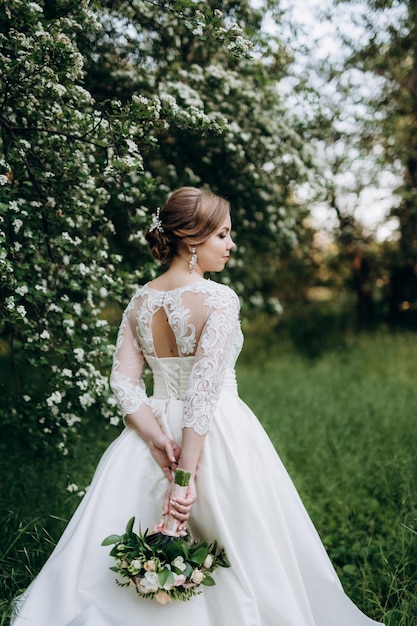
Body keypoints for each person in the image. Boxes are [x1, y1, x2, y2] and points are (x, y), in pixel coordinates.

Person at [11, 186, 385, 626]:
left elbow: (124, 382)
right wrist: (184, 478)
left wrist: (153, 440)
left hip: (153, 427)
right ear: (192, 238)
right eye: (223, 235)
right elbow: (204, 393)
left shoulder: (139, 301)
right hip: (214, 431)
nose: (231, 245)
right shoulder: (219, 299)